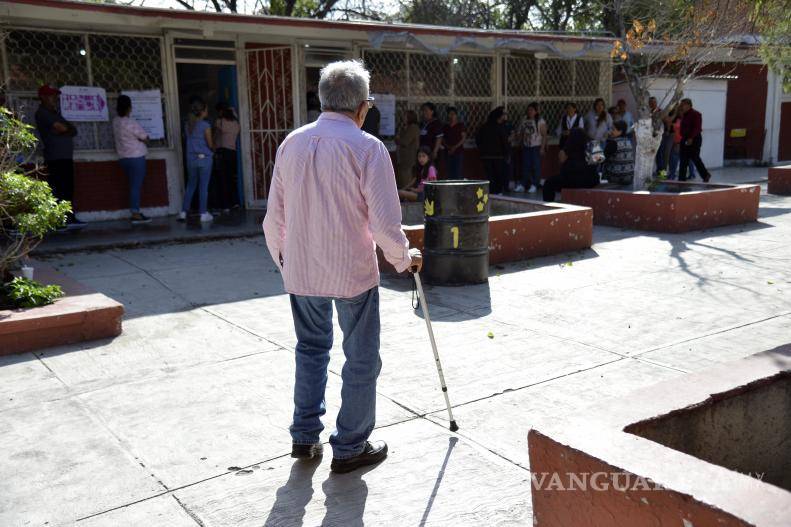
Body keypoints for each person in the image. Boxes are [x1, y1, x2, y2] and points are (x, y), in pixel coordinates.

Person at [262, 60, 422, 474]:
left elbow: (272, 218)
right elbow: (385, 224)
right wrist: (405, 258)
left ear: (323, 100)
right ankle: (350, 446)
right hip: (351, 271)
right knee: (361, 357)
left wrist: (285, 260)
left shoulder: (291, 143)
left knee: (311, 350)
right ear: (363, 106)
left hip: (301, 272)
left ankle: (304, 436)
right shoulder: (368, 148)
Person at [34, 84, 84, 227]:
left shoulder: (56, 113)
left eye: (55, 95)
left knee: (68, 188)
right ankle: (58, 221)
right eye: (51, 95)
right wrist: (64, 130)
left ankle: (69, 217)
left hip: (65, 157)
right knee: (58, 188)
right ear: (42, 97)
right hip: (55, 157)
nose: (54, 98)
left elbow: (73, 130)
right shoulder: (42, 113)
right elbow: (62, 128)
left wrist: (65, 130)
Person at [112, 94, 151, 224]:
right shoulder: (130, 122)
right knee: (136, 186)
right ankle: (135, 213)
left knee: (132, 185)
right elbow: (145, 137)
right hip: (136, 157)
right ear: (129, 108)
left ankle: (135, 212)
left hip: (123, 158)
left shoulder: (115, 122)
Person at [179, 98, 214, 223]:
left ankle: (183, 212)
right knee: (203, 187)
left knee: (191, 185)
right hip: (204, 159)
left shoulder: (188, 125)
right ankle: (203, 213)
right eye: (206, 109)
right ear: (203, 111)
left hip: (191, 159)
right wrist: (213, 150)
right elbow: (210, 143)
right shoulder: (205, 125)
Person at [542, 128, 599, 202]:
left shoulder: (571, 143)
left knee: (548, 183)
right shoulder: (593, 143)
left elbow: (561, 159)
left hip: (572, 180)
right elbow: (599, 161)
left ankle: (548, 206)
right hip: (591, 180)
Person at [213, 104, 241, 212]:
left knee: (223, 179)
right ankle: (235, 202)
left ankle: (225, 205)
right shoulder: (236, 124)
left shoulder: (220, 122)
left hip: (222, 152)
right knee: (232, 179)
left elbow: (215, 136)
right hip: (232, 153)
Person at [476, 106, 510, 195]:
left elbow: (478, 140)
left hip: (486, 156)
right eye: (504, 115)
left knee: (490, 176)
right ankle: (498, 192)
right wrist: (507, 154)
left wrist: (482, 151)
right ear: (500, 116)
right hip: (498, 156)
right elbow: (504, 142)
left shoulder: (484, 127)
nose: (505, 117)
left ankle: (491, 192)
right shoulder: (500, 128)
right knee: (498, 175)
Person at [515, 102, 547, 193]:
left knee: (535, 166)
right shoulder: (524, 120)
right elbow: (521, 132)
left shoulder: (540, 121)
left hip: (536, 146)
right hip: (526, 146)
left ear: (536, 111)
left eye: (532, 110)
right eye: (528, 110)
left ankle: (534, 184)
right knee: (525, 166)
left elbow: (544, 135)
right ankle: (523, 184)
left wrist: (542, 148)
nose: (529, 112)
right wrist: (519, 143)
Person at [678, 98, 711, 182]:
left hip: (694, 139)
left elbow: (697, 128)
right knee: (683, 159)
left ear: (688, 105)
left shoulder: (696, 114)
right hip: (684, 138)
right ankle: (681, 179)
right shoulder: (683, 115)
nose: (681, 107)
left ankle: (705, 175)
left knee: (695, 158)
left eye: (683, 105)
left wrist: (691, 138)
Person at [602, 120, 634, 186]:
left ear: (620, 131)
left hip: (616, 177)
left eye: (613, 129)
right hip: (629, 176)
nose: (611, 131)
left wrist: (605, 139)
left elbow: (601, 158)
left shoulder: (613, 143)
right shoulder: (628, 141)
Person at [394, 110, 420, 189]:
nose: (403, 118)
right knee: (401, 178)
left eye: (405, 116)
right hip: (403, 158)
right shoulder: (406, 127)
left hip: (409, 158)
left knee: (406, 178)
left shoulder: (413, 128)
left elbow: (405, 141)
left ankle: (407, 195)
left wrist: (397, 139)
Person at [443, 107, 466, 180]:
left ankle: (458, 190)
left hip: (458, 152)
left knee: (458, 172)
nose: (451, 116)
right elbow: (443, 139)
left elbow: (463, 138)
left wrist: (454, 147)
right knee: (449, 172)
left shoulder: (460, 125)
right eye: (450, 114)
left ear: (456, 115)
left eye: (453, 114)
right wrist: (448, 147)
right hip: (448, 152)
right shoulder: (445, 126)